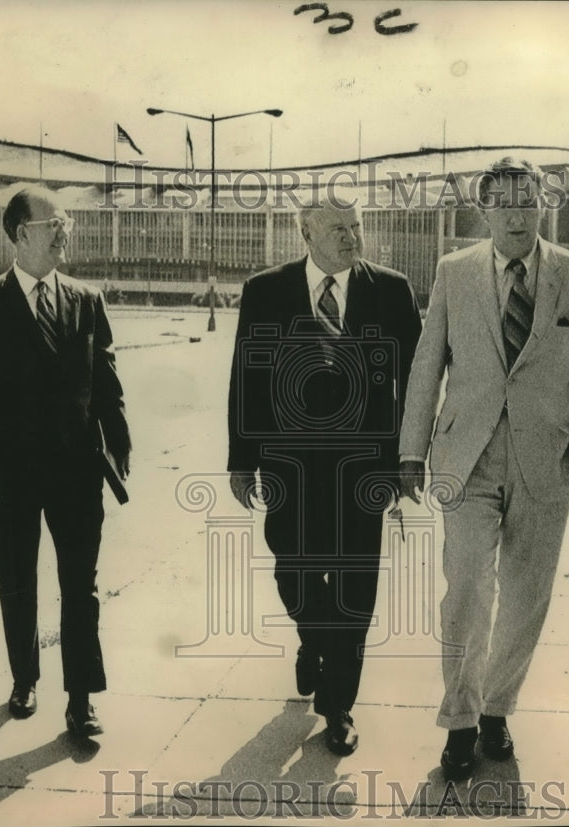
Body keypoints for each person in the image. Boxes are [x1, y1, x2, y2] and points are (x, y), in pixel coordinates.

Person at [399, 158, 569, 779]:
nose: (518, 215)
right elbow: (427, 365)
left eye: (529, 202)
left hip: (545, 462)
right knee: (466, 587)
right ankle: (460, 722)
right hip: (467, 458)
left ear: (544, 205)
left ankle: (497, 711)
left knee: (526, 595)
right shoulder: (454, 272)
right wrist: (412, 451)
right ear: (485, 211)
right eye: (505, 205)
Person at [227, 194, 422, 755]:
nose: (350, 237)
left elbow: (414, 381)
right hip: (288, 467)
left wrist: (409, 457)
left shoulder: (392, 290)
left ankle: (339, 705)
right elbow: (246, 378)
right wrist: (242, 460)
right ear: (305, 234)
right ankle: (313, 638)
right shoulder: (265, 291)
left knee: (356, 586)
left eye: (356, 226)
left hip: (365, 469)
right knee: (293, 568)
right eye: (337, 228)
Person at [0, 186, 130, 738]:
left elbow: (107, 386)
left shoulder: (86, 299)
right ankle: (24, 678)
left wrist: (118, 454)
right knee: (17, 580)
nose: (64, 232)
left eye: (66, 222)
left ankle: (81, 698)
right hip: (9, 476)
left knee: (81, 586)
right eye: (54, 223)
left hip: (77, 474)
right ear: (20, 233)